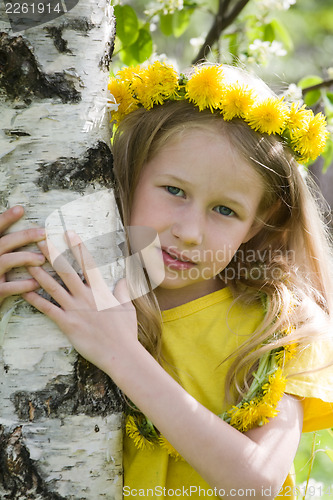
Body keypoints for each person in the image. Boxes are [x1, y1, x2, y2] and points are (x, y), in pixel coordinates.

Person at [1, 61, 333, 499]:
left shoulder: (280, 327)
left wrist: (120, 353)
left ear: (257, 224)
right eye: (174, 191)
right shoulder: (74, 288)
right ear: (126, 176)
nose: (189, 231)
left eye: (225, 210)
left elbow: (256, 483)